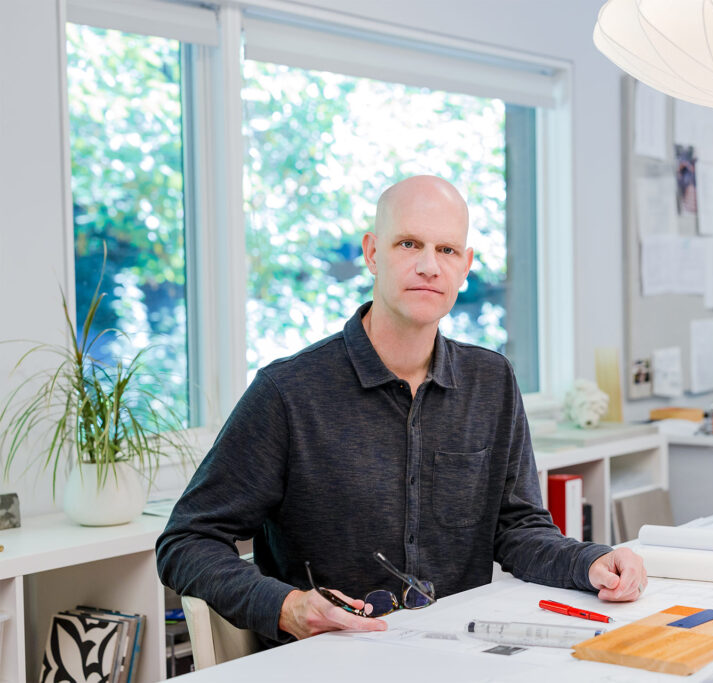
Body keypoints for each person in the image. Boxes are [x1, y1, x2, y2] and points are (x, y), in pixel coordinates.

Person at [156, 175, 646, 646]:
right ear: (372, 253)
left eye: (447, 250)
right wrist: (287, 606)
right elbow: (185, 542)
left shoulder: (491, 381)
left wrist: (589, 562)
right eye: (409, 244)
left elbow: (518, 529)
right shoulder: (289, 392)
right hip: (329, 662)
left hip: (461, 654)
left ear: (465, 265)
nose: (429, 266)